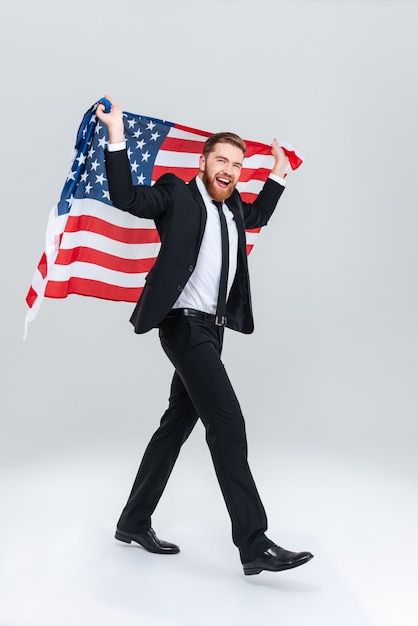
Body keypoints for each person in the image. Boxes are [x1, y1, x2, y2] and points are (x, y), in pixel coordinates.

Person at [96, 95, 313, 576]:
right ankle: (254, 544)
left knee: (176, 425)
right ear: (204, 162)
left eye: (237, 164)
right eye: (222, 160)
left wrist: (278, 173)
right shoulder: (177, 193)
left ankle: (132, 522)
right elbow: (127, 198)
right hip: (181, 325)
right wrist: (115, 135)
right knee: (228, 423)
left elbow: (258, 217)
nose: (230, 170)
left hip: (212, 332)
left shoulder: (233, 206)